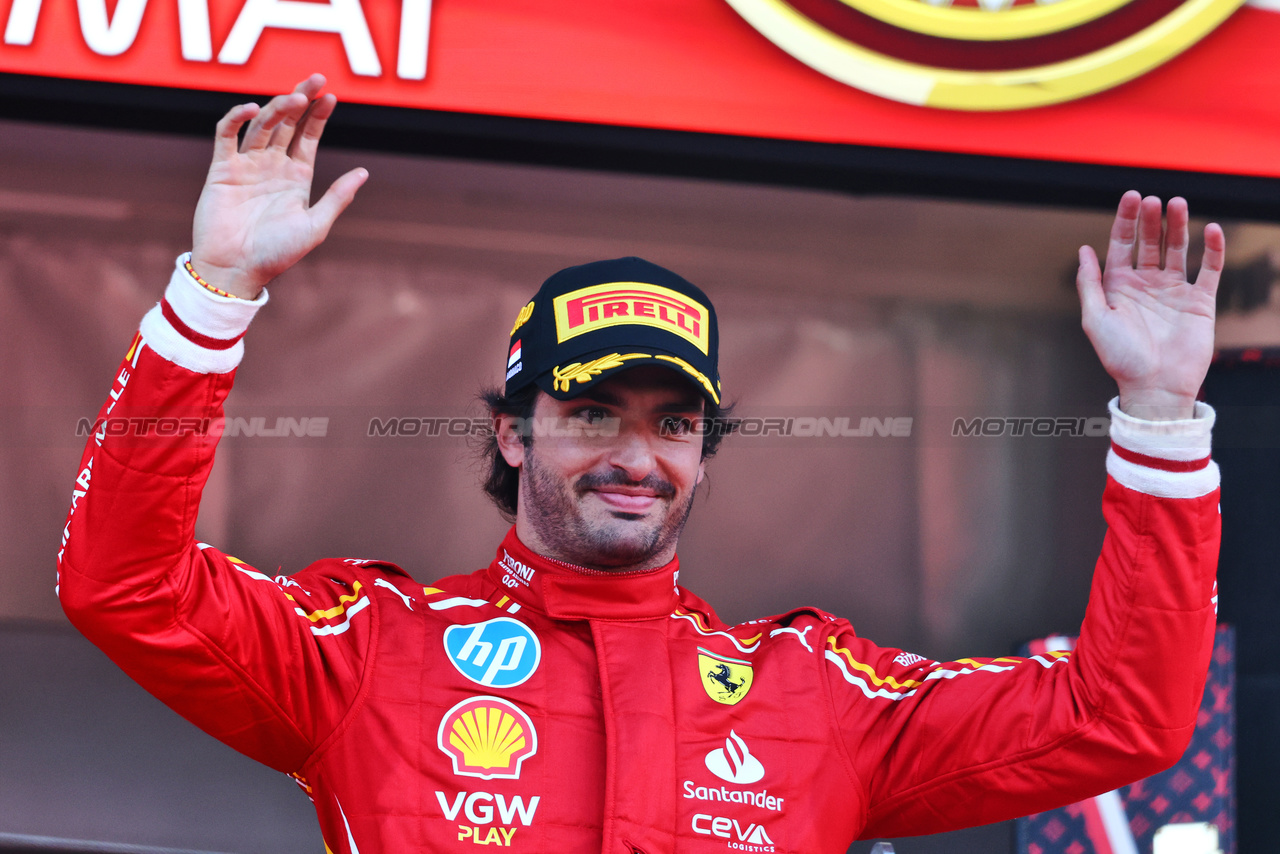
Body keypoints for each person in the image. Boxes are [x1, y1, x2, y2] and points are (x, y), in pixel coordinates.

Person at [57, 75, 1224, 853]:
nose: (635, 454)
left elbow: (1117, 718)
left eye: (673, 423)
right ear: (512, 433)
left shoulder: (815, 692)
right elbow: (125, 586)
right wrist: (214, 296)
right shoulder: (372, 644)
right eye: (593, 411)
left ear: (704, 455)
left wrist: (1160, 412)